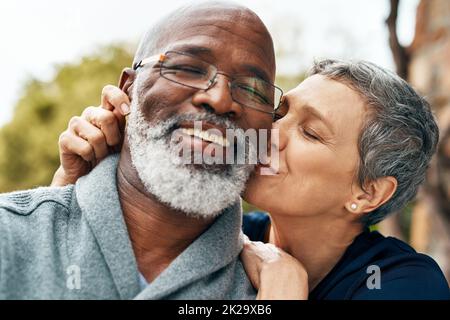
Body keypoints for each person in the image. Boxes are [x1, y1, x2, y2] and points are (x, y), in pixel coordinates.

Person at [56, 59, 450, 299]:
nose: (269, 133)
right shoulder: (219, 231)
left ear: (368, 192)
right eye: (279, 112)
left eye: (311, 133)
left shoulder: (406, 285)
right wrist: (74, 185)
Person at [0, 1, 305, 299]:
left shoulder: (271, 291)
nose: (221, 100)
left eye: (253, 89)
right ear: (128, 90)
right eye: (187, 67)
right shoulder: (12, 232)